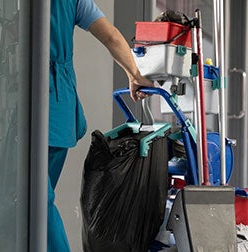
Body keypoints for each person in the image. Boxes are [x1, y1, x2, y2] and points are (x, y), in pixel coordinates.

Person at [48, 0, 153, 251]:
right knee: (34, 198)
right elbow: (111, 37)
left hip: (42, 107)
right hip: (58, 104)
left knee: (34, 199)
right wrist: (134, 75)